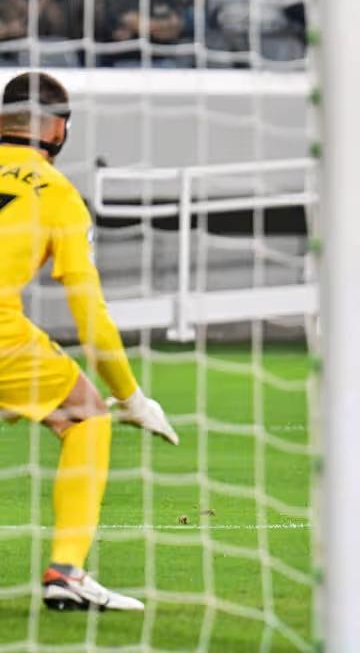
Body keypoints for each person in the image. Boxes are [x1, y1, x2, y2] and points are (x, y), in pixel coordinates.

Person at [0, 72, 179, 610]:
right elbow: (92, 322)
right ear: (58, 128)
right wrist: (131, 397)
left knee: (55, 407)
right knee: (85, 414)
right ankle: (67, 571)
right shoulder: (57, 195)